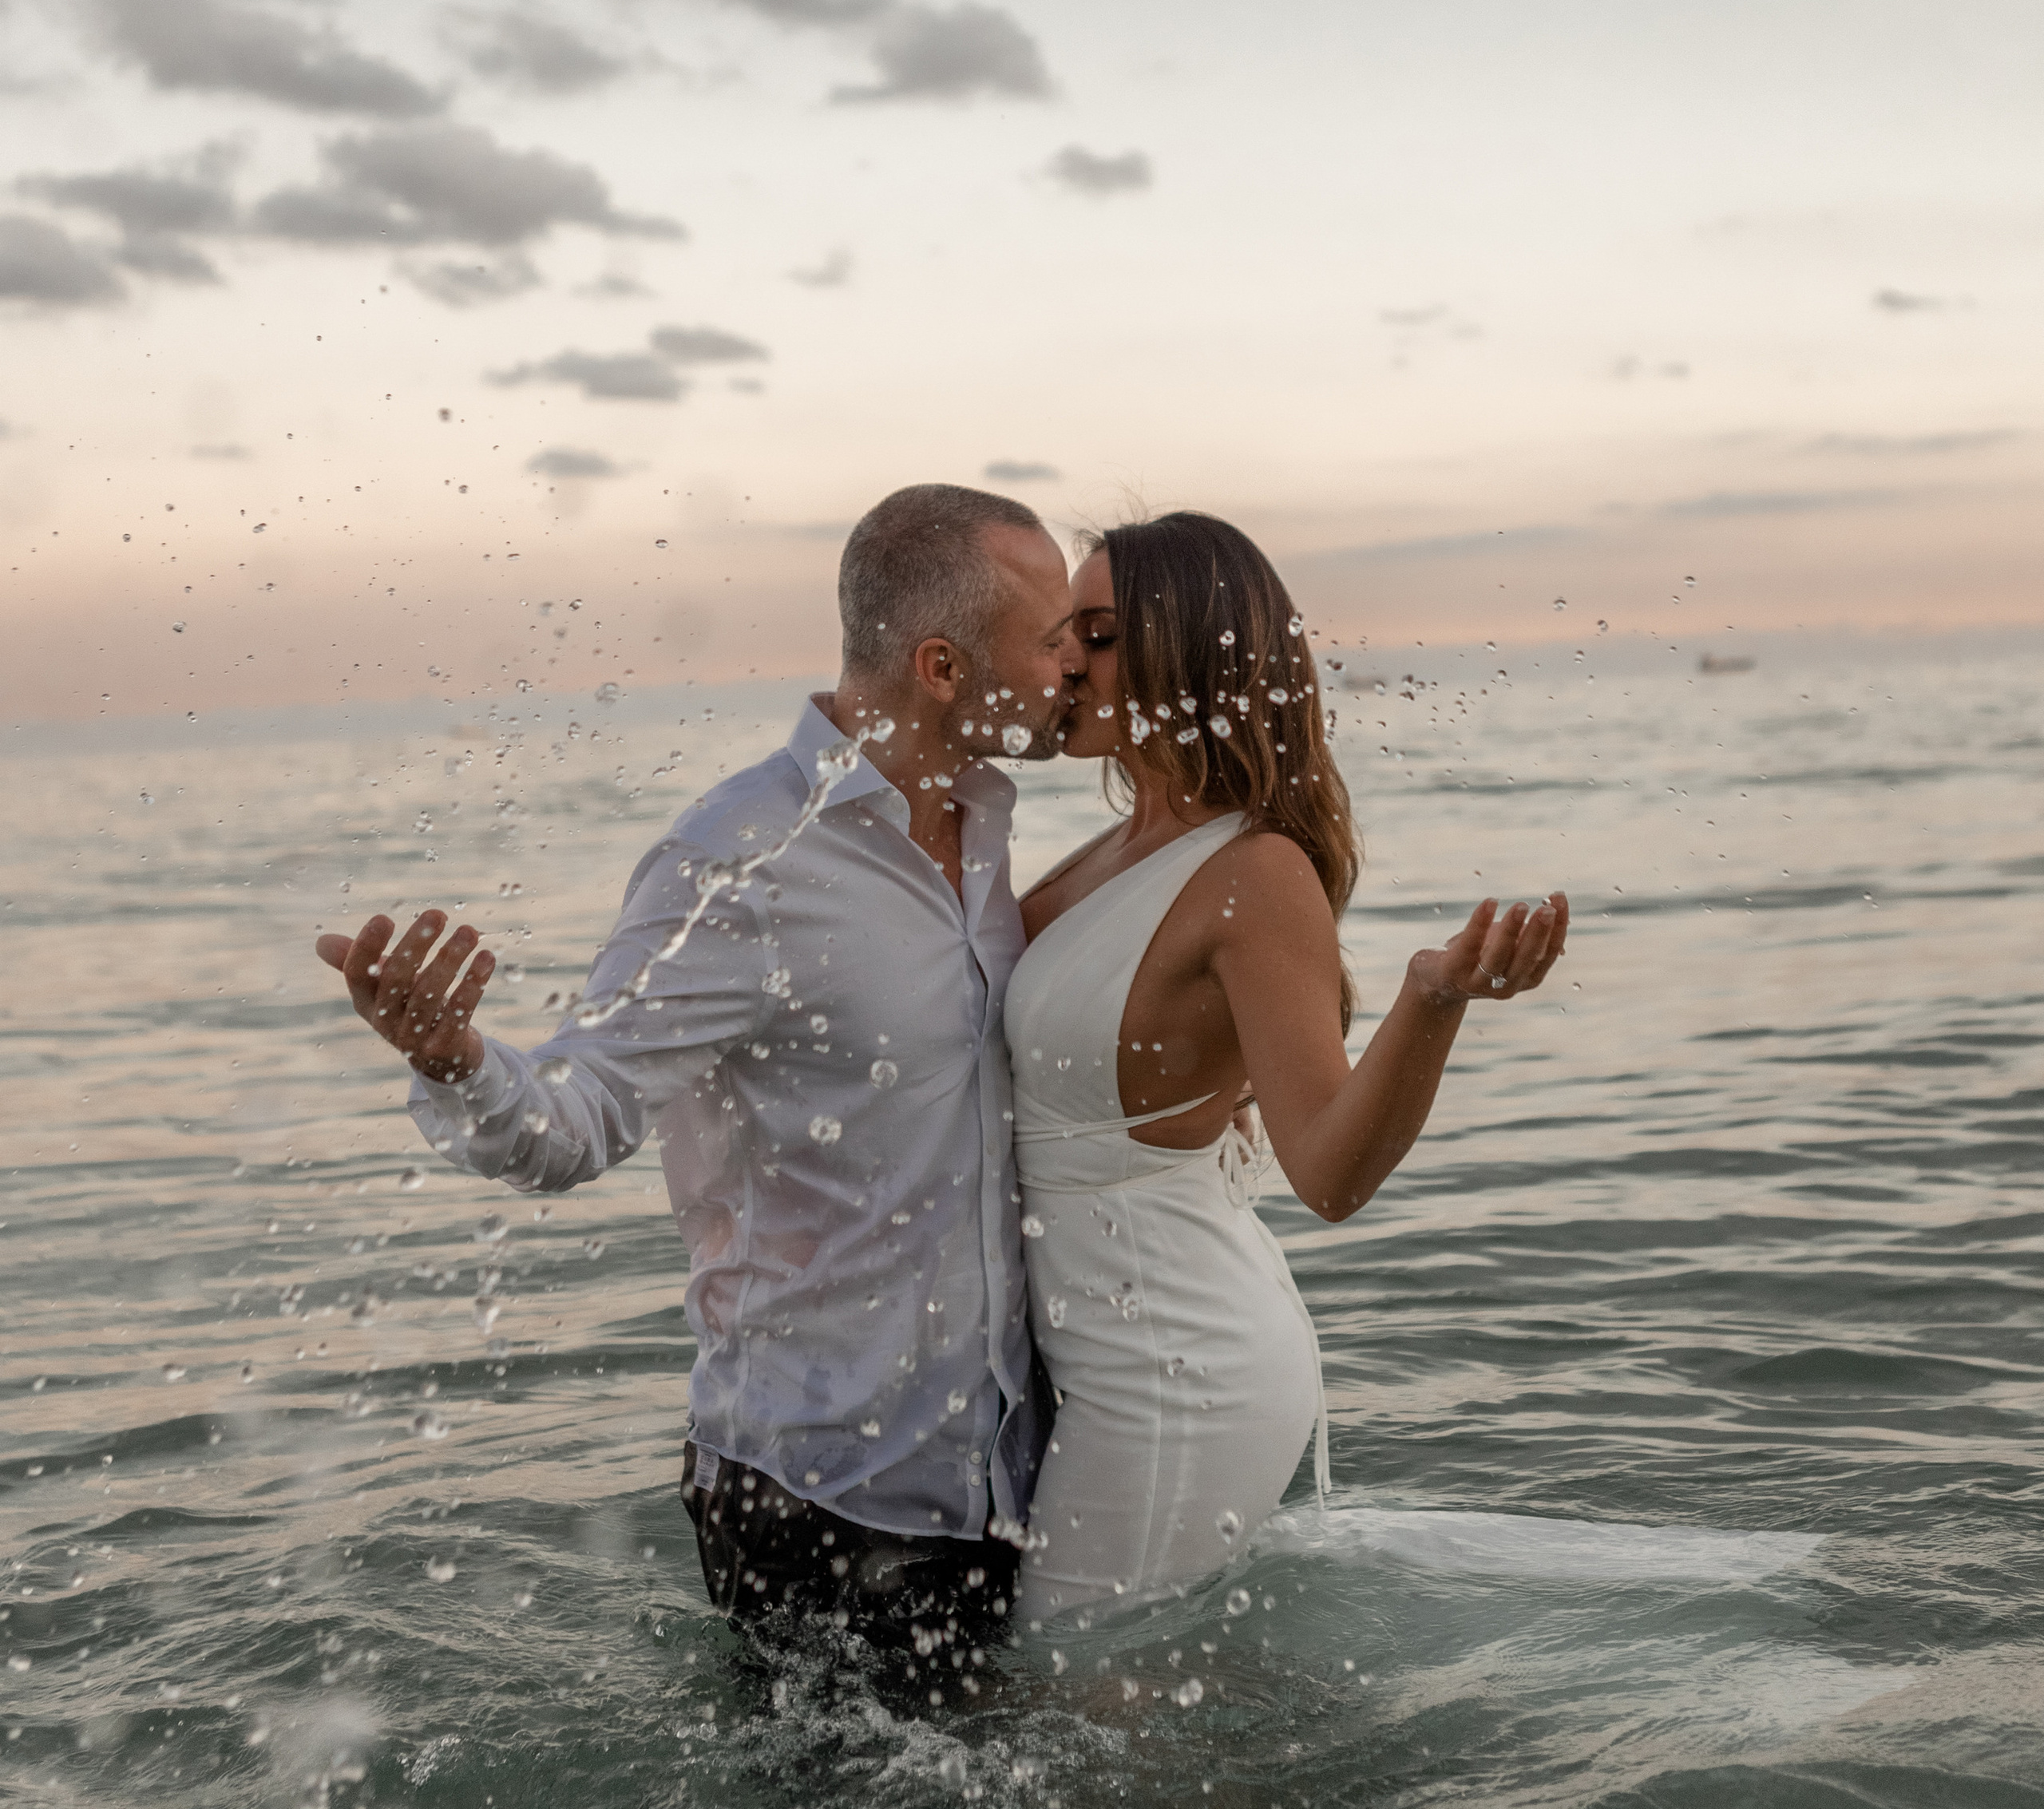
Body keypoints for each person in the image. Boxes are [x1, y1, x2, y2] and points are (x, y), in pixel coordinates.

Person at [314, 484, 1086, 1698]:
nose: (1075, 664)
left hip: (998, 1475)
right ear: (944, 667)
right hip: (821, 1497)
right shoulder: (740, 862)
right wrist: (455, 1061)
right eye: (1052, 639)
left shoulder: (982, 827)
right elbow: (575, 1120)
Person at [1006, 511, 1567, 1629]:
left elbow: (1329, 1173)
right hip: (1086, 1354)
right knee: (1089, 1693)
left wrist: (1431, 999)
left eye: (1100, 636)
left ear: (1186, 652)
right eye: (1063, 631)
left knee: (1077, 1687)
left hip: (1177, 1369)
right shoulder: (1113, 850)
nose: (1066, 659)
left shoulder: (1254, 874)